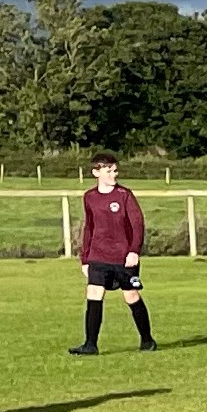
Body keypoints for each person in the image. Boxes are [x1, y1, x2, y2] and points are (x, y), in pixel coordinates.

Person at [69, 152, 155, 355]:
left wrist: (134, 251)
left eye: (115, 170)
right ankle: (90, 344)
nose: (113, 174)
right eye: (109, 171)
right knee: (93, 294)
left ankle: (147, 340)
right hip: (98, 256)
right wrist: (85, 258)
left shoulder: (125, 195)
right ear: (96, 172)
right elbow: (89, 227)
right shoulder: (89, 197)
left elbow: (137, 224)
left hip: (123, 257)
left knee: (131, 295)